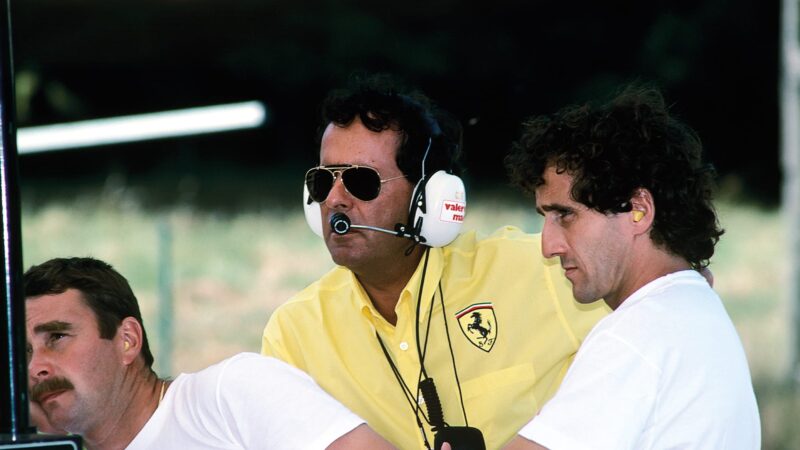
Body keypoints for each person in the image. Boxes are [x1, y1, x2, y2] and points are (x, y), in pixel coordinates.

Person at [261, 74, 608, 449]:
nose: (335, 200)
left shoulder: (544, 271)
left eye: (362, 181)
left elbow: (663, 328)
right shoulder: (294, 334)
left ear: (429, 198)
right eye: (323, 181)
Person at [498, 85, 761, 449]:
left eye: (565, 215)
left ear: (639, 209)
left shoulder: (638, 336)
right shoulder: (692, 308)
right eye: (545, 217)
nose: (548, 246)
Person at [25, 256, 394, 450]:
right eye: (24, 353)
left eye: (57, 337)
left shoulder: (231, 392)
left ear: (127, 340)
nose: (36, 366)